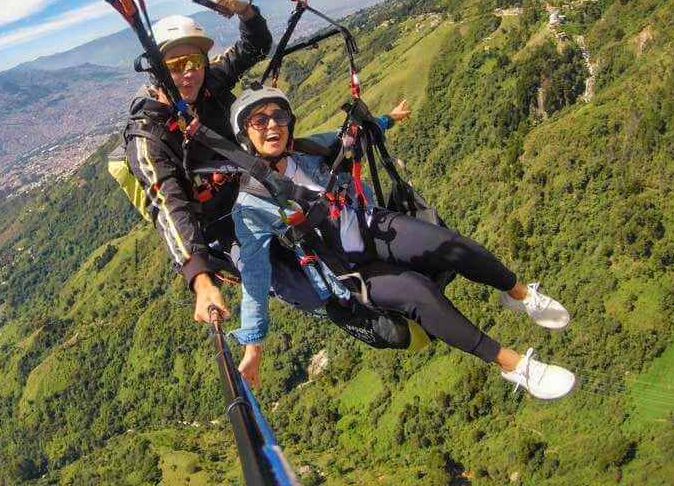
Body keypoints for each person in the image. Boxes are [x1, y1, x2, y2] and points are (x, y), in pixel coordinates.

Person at [228, 86, 577, 400]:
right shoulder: (252, 205)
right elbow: (257, 278)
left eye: (279, 116)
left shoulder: (308, 150)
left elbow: (354, 137)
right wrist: (253, 345)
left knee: (449, 244)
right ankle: (514, 365)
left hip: (369, 224)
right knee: (418, 294)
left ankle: (520, 295)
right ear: (245, 135)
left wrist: (387, 119)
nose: (272, 125)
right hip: (348, 271)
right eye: (259, 120)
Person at [123, 0, 272, 326]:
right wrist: (200, 279)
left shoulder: (209, 82)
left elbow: (256, 47)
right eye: (175, 67)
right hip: (220, 222)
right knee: (269, 269)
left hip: (254, 184)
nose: (188, 74)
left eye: (193, 61)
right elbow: (168, 203)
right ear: (157, 72)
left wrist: (246, 14)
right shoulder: (148, 136)